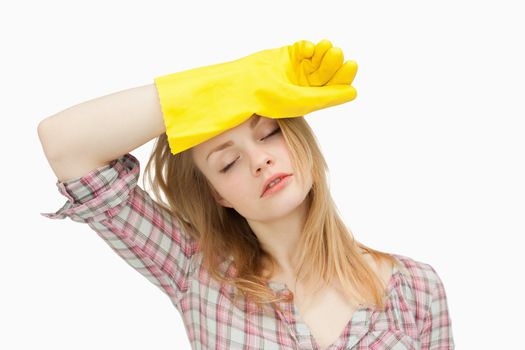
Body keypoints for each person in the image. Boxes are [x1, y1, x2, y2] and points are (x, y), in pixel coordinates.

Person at [38, 40, 454, 349]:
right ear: (218, 194)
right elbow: (65, 145)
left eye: (270, 133)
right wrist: (240, 81)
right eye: (227, 163)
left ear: (299, 139)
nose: (259, 161)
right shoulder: (195, 272)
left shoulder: (416, 287)